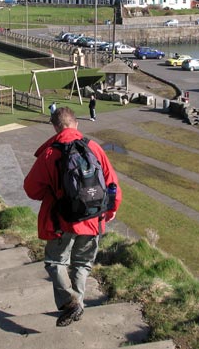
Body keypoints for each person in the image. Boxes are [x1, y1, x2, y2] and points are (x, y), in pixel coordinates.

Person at [23, 107, 122, 327]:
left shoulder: (50, 153)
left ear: (56, 127)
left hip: (62, 220)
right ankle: (77, 302)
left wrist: (51, 191)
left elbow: (31, 189)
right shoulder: (94, 147)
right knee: (82, 264)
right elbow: (112, 182)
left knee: (55, 261)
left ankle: (70, 302)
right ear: (76, 124)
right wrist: (111, 208)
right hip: (93, 218)